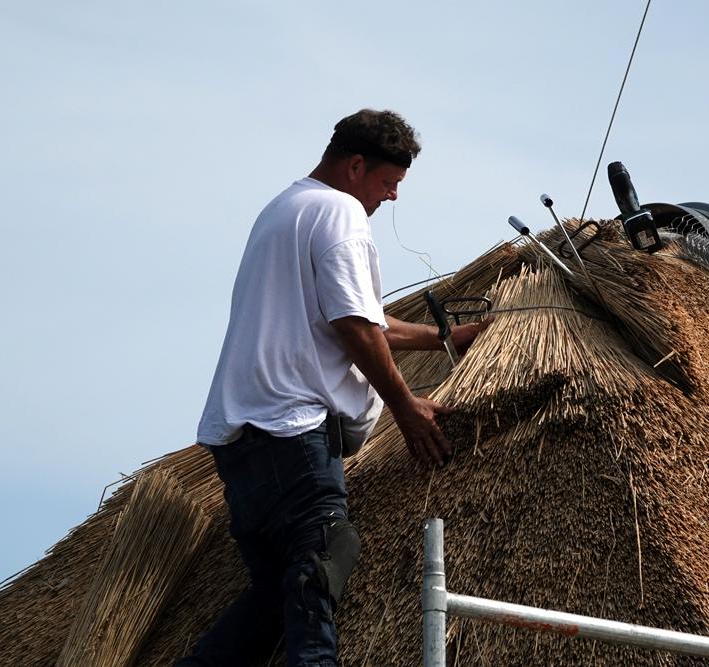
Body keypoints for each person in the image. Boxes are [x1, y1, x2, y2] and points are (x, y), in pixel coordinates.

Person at [176, 109, 490, 667]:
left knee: (273, 595)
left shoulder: (285, 209)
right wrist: (405, 407)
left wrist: (444, 337)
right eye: (389, 182)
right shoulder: (340, 211)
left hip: (242, 443)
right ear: (355, 166)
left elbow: (363, 318)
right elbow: (353, 325)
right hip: (293, 431)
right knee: (320, 568)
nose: (392, 197)